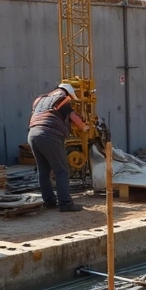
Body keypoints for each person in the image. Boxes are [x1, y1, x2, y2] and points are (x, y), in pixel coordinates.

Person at [28, 83, 88, 212]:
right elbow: (76, 120)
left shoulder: (40, 99)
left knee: (43, 171)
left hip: (33, 134)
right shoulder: (63, 99)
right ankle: (65, 203)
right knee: (61, 170)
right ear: (68, 93)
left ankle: (49, 202)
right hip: (50, 135)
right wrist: (85, 127)